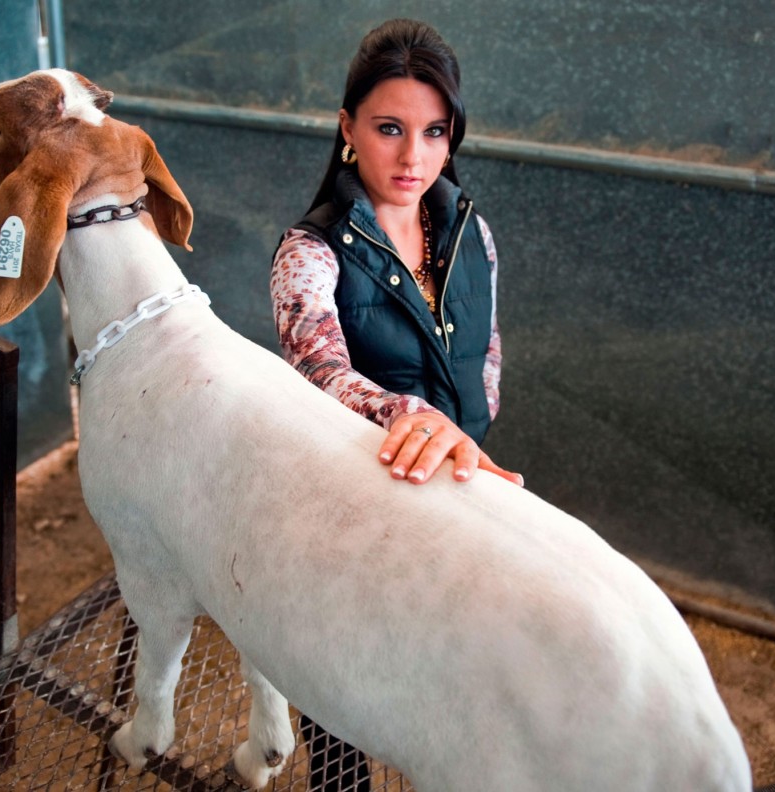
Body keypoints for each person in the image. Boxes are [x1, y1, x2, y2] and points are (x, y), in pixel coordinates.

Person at [269, 17, 523, 791]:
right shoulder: (308, 253)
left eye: (433, 132)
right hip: (353, 514)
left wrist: (469, 435)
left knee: (455, 688)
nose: (413, 156)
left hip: (457, 490)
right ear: (348, 129)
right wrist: (412, 417)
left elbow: (486, 348)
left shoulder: (470, 231)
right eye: (389, 129)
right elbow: (320, 371)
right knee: (341, 709)